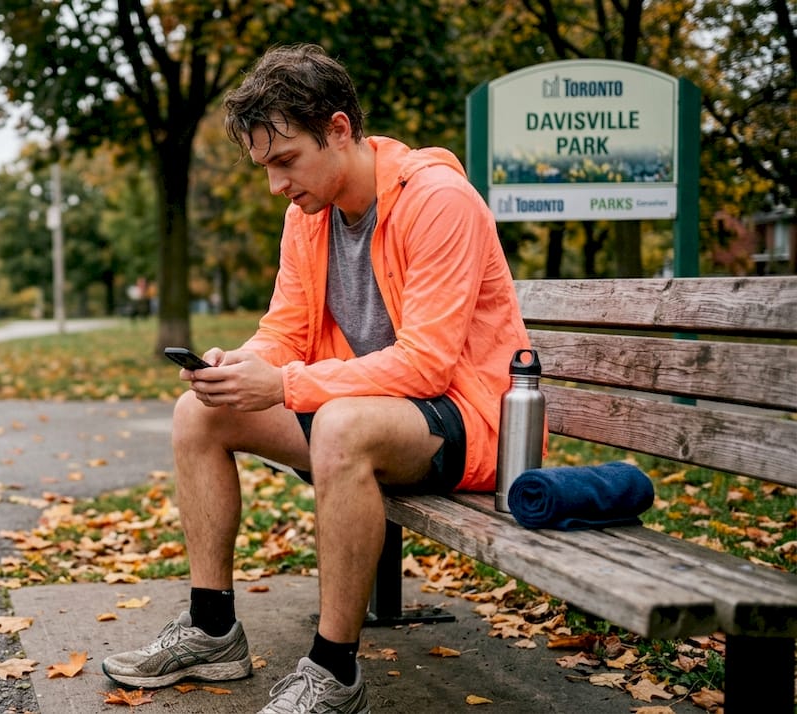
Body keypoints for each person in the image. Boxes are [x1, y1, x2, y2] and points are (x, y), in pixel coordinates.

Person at [101, 43, 531, 713]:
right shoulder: (309, 218)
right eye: (266, 167)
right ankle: (213, 631)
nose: (277, 184)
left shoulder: (438, 201)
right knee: (200, 413)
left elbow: (427, 365)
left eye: (286, 160)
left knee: (339, 425)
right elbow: (285, 332)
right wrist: (241, 366)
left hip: (468, 421)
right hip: (363, 414)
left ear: (338, 129)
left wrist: (285, 387)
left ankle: (334, 673)